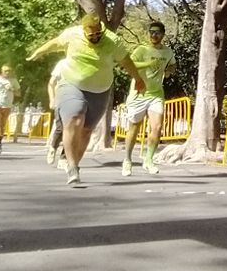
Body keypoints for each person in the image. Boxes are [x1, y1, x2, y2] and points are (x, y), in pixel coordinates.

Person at [28, 14, 143, 188]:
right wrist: (39, 52)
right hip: (71, 84)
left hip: (100, 90)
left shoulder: (113, 41)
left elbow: (126, 61)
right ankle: (72, 168)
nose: (96, 37)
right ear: (84, 31)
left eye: (99, 34)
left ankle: (74, 162)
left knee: (86, 130)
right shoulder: (72, 35)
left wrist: (138, 79)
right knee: (75, 119)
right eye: (92, 35)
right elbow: (55, 43)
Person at [121, 22, 175, 177]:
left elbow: (172, 65)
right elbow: (129, 64)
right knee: (134, 128)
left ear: (163, 34)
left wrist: (169, 70)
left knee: (157, 127)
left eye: (157, 32)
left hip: (156, 94)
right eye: (151, 32)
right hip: (138, 94)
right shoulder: (142, 50)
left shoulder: (167, 52)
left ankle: (149, 160)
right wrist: (148, 63)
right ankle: (127, 160)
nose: (154, 35)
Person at [44, 60, 67, 168]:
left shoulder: (85, 62)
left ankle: (64, 157)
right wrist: (52, 99)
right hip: (61, 99)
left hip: (77, 101)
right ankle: (53, 147)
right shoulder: (63, 63)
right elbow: (51, 83)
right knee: (61, 128)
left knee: (73, 130)